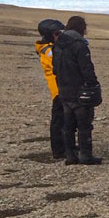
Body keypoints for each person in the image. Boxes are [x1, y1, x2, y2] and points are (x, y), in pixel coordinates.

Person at [52, 15, 102, 165]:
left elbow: (55, 68)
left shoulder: (58, 43)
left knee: (68, 125)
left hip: (63, 89)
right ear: (82, 27)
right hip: (78, 89)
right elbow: (86, 67)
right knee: (84, 124)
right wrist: (93, 84)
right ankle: (86, 155)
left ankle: (70, 156)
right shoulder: (78, 44)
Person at [35, 18, 68, 159]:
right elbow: (58, 67)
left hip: (61, 87)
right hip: (58, 89)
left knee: (64, 119)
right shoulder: (49, 51)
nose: (60, 35)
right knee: (59, 119)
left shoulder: (50, 49)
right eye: (57, 33)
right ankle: (59, 149)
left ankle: (64, 145)